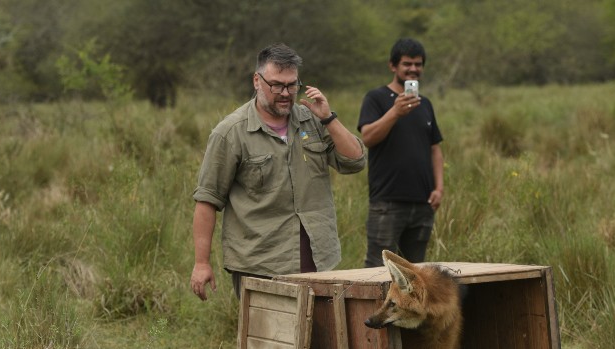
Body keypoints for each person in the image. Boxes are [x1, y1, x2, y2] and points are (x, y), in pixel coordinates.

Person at [190, 43, 365, 300]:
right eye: (276, 85)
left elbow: (355, 162)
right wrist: (201, 263)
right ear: (256, 81)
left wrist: (328, 118)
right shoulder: (230, 132)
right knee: (269, 339)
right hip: (261, 263)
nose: (285, 93)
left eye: (292, 85)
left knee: (318, 338)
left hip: (317, 258)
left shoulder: (312, 120)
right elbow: (207, 200)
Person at [357, 38, 444, 267]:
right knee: (377, 270)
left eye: (418, 64)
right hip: (387, 203)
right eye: (407, 64)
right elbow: (368, 137)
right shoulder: (375, 98)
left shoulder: (425, 104)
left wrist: (439, 187)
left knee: (414, 275)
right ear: (393, 66)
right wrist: (395, 112)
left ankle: (409, 306)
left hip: (423, 203)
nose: (413, 69)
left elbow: (434, 148)